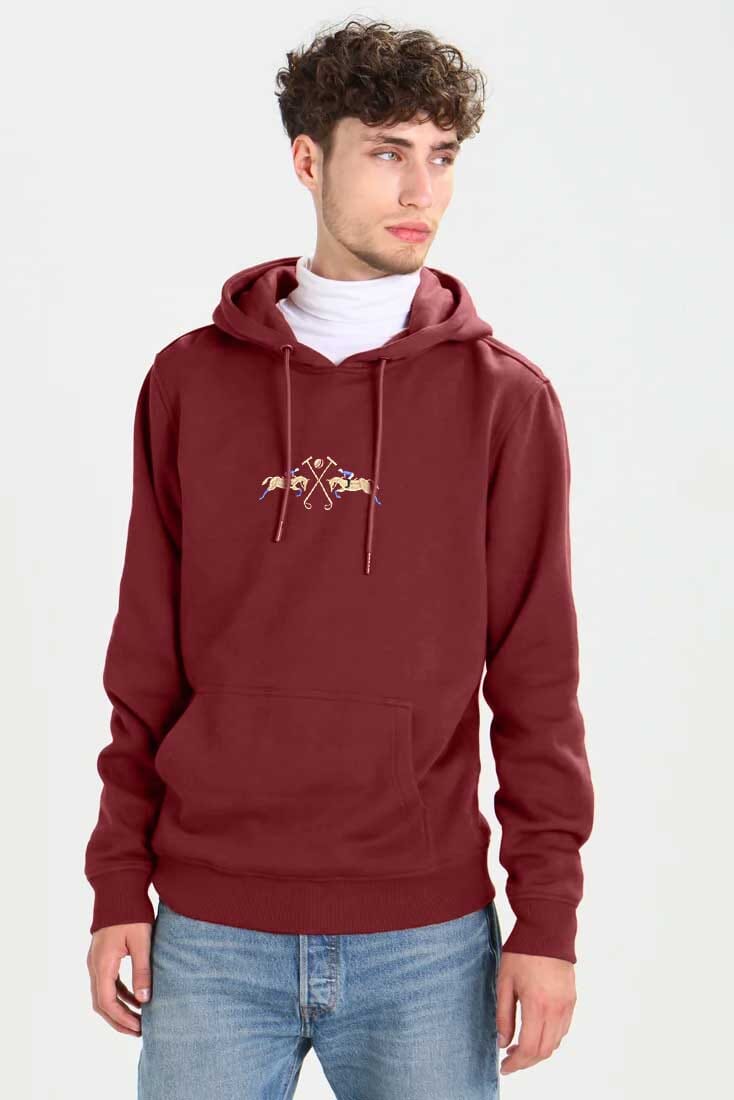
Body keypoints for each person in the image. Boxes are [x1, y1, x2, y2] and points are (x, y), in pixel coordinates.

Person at [84, 17, 594, 1098]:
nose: (421, 190)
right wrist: (118, 878)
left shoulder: (505, 401)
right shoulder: (189, 385)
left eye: (441, 156)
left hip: (426, 940)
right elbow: (144, 659)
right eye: (387, 151)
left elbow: (537, 680)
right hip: (210, 930)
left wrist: (546, 917)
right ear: (308, 160)